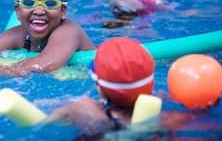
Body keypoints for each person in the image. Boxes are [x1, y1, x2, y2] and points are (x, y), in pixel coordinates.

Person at [46, 38, 192, 139]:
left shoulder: (83, 109)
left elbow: (41, 124)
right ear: (151, 84)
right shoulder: (170, 119)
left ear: (100, 88)